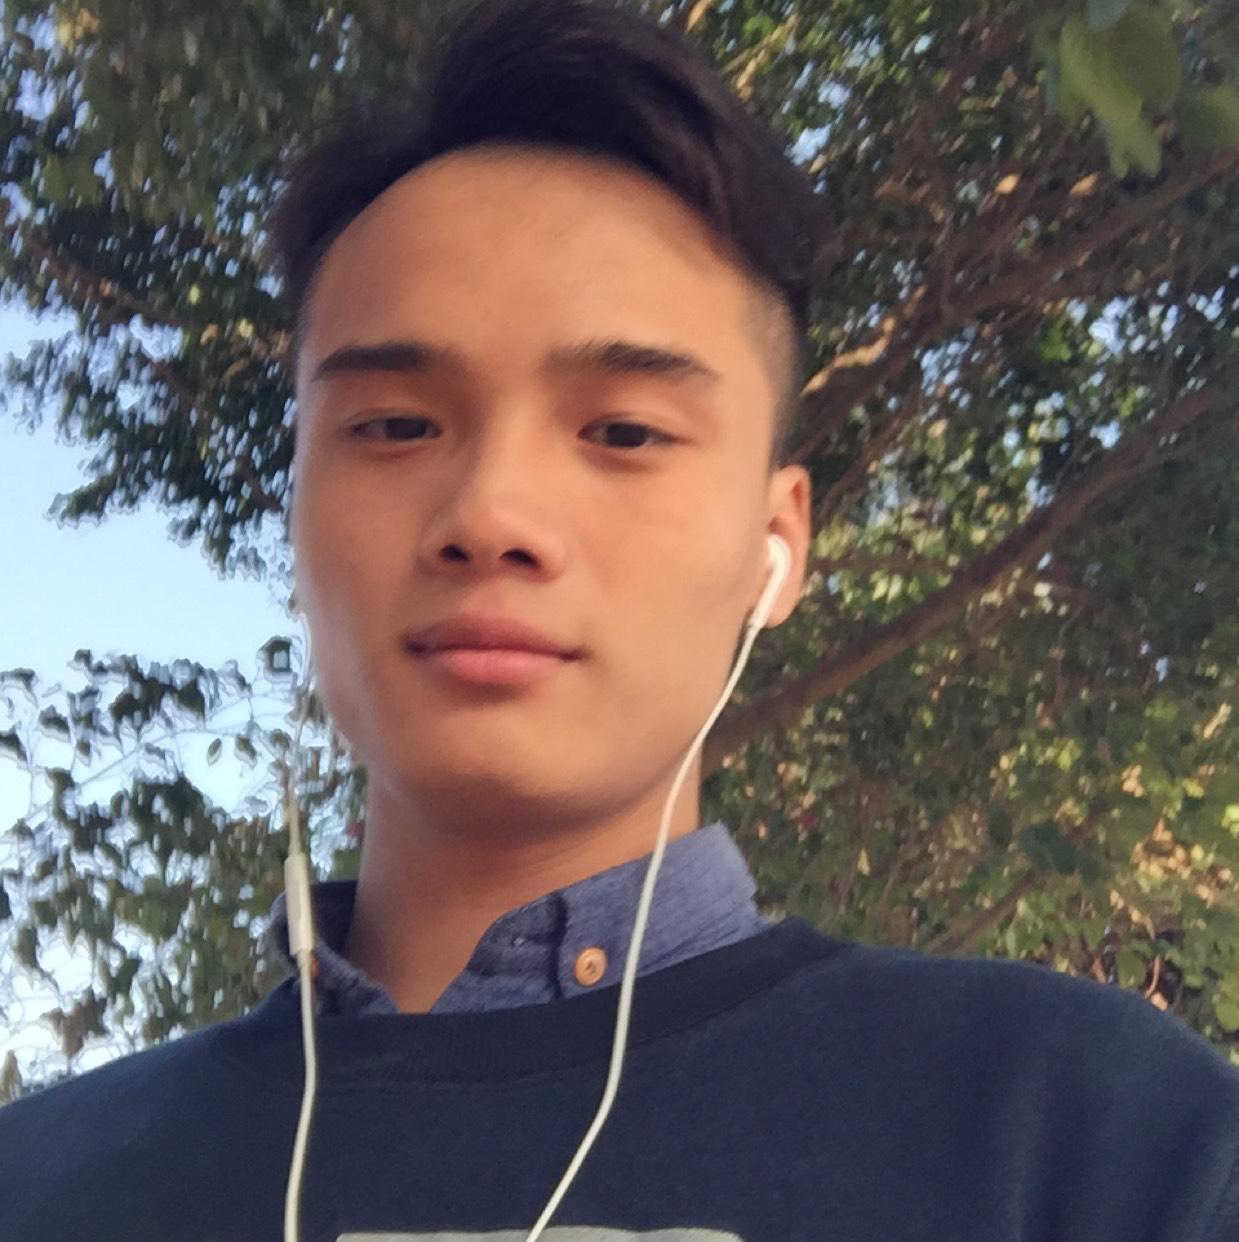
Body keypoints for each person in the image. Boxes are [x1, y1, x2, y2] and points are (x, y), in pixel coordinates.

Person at [3, 1, 1238, 1239]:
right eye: (395, 425)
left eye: (626, 432)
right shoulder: (43, 1181)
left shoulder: (1098, 1138)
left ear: (778, 545)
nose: (490, 515)